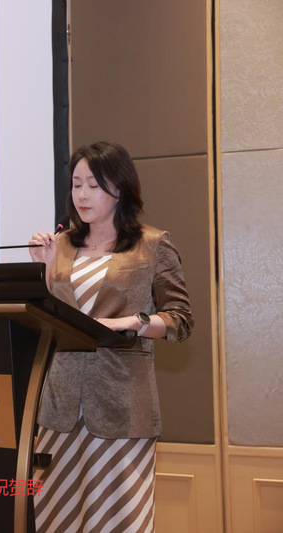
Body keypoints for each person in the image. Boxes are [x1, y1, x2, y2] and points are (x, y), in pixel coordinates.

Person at [28, 141, 193, 533]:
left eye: (94, 185)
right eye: (76, 185)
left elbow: (181, 320)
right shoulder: (60, 245)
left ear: (120, 188)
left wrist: (134, 322)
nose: (82, 195)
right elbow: (52, 317)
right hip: (60, 407)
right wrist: (44, 270)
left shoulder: (152, 244)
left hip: (121, 406)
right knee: (56, 518)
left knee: (117, 520)